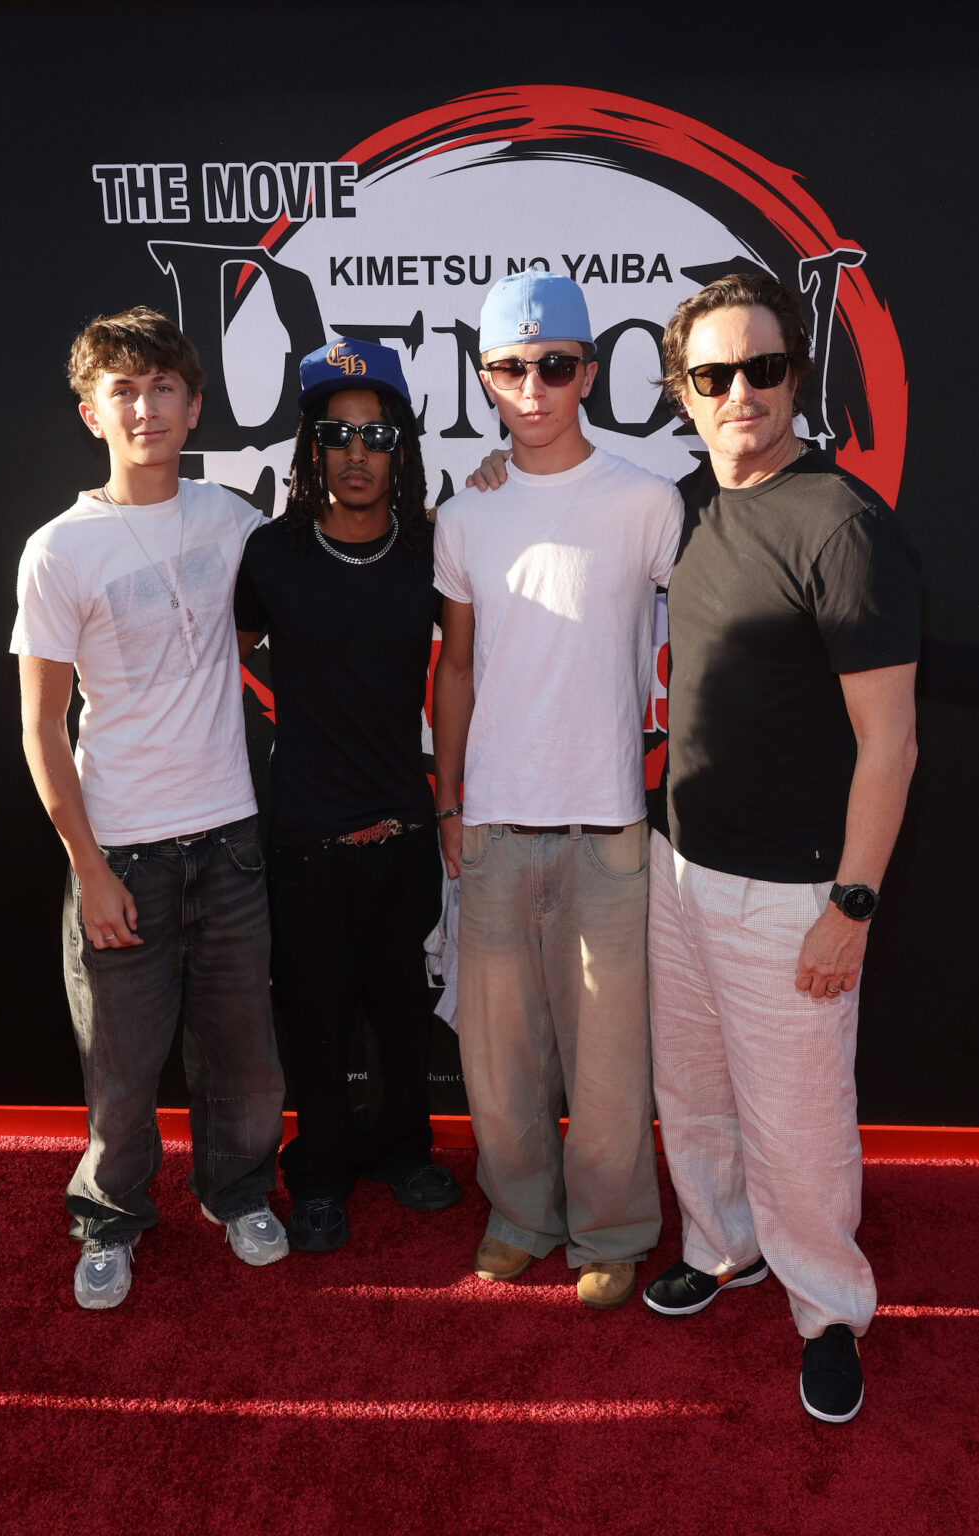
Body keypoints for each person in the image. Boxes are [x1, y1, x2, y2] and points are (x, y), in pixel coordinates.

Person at [640, 273, 920, 1422]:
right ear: (680, 393)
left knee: (797, 1124)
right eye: (713, 376)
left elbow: (890, 741)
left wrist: (849, 903)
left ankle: (827, 1310)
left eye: (761, 369)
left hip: (794, 888)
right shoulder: (680, 507)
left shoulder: (842, 525)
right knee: (693, 1093)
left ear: (794, 376)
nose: (739, 393)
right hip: (679, 865)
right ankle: (721, 1248)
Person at [11, 307, 288, 1311]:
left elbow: (309, 589)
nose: (144, 407)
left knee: (247, 1062)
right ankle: (111, 1220)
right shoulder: (58, 552)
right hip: (122, 854)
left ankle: (239, 1191)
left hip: (232, 842)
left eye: (162, 387)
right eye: (122, 391)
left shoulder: (232, 519)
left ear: (194, 403)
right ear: (92, 412)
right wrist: (87, 866)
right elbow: (43, 729)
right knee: (122, 1076)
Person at [432, 272, 683, 1310]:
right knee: (496, 1060)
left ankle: (613, 1229)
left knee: (613, 1061)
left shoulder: (646, 502)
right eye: (507, 368)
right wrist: (449, 802)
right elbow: (453, 668)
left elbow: (700, 645)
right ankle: (519, 1216)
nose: (530, 389)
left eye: (553, 367)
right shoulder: (464, 511)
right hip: (490, 821)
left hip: (608, 827)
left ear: (587, 371)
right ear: (483, 377)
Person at [234, 338, 462, 1253]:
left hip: (405, 827)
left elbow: (473, 669)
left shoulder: (431, 552)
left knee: (402, 1013)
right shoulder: (270, 555)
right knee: (317, 1021)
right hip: (304, 838)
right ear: (311, 450)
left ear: (400, 447)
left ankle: (406, 1151)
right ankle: (321, 1170)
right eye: (337, 435)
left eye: (376, 434)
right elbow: (218, 655)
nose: (357, 452)